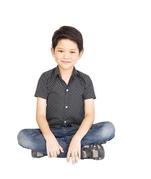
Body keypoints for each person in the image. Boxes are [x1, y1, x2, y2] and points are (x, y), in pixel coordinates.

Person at [17, 26, 115, 163]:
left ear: (80, 53)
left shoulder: (85, 80)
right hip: (52, 132)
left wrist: (76, 139)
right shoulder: (45, 78)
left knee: (108, 129)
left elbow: (90, 115)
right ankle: (84, 151)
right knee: (23, 137)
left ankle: (51, 149)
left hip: (79, 131)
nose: (66, 56)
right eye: (61, 51)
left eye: (72, 52)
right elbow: (40, 115)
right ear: (53, 51)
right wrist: (49, 137)